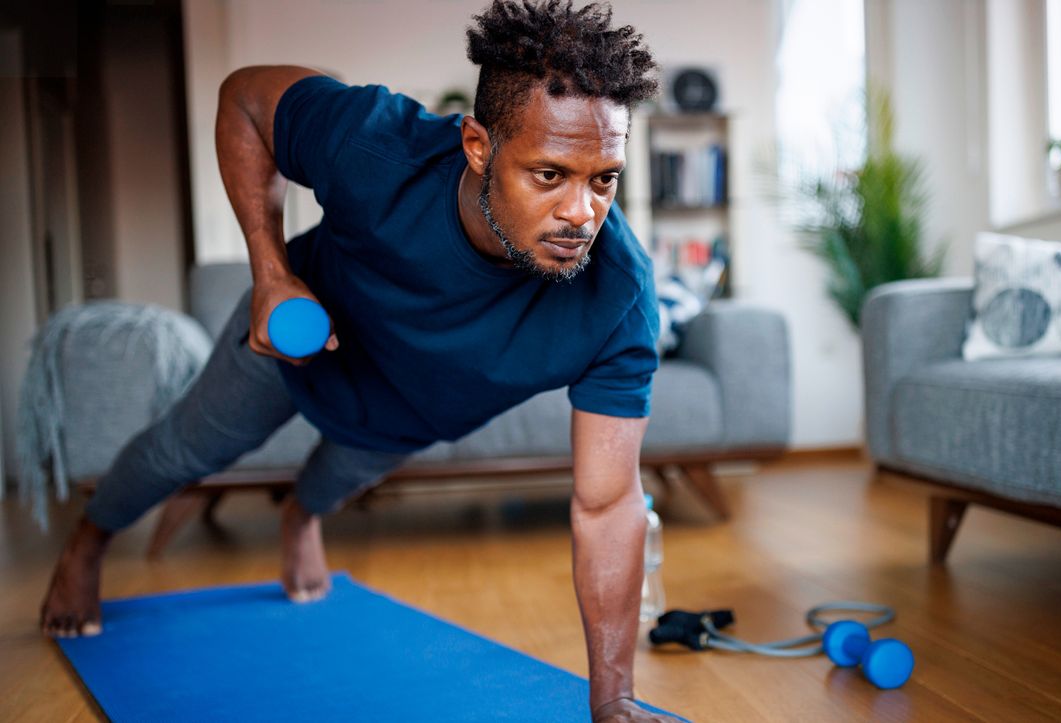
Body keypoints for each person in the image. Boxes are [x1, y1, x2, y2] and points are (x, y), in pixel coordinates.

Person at [40, 2, 680, 720]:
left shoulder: (618, 296)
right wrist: (270, 270)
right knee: (189, 446)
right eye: (550, 174)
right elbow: (245, 99)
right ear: (477, 144)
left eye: (604, 180)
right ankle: (88, 541)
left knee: (333, 482)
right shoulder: (377, 146)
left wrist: (614, 699)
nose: (581, 214)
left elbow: (606, 504)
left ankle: (300, 519)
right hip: (303, 340)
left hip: (408, 413)